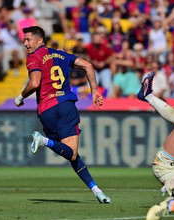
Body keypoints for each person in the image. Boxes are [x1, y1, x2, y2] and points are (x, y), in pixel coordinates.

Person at [14, 26, 110, 203]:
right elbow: (88, 65)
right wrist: (95, 91)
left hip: (46, 110)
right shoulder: (61, 54)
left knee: (71, 154)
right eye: (24, 39)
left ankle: (97, 191)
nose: (25, 43)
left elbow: (34, 83)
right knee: (71, 153)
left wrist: (20, 97)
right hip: (65, 105)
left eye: (28, 39)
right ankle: (44, 141)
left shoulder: (34, 57)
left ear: (40, 40)